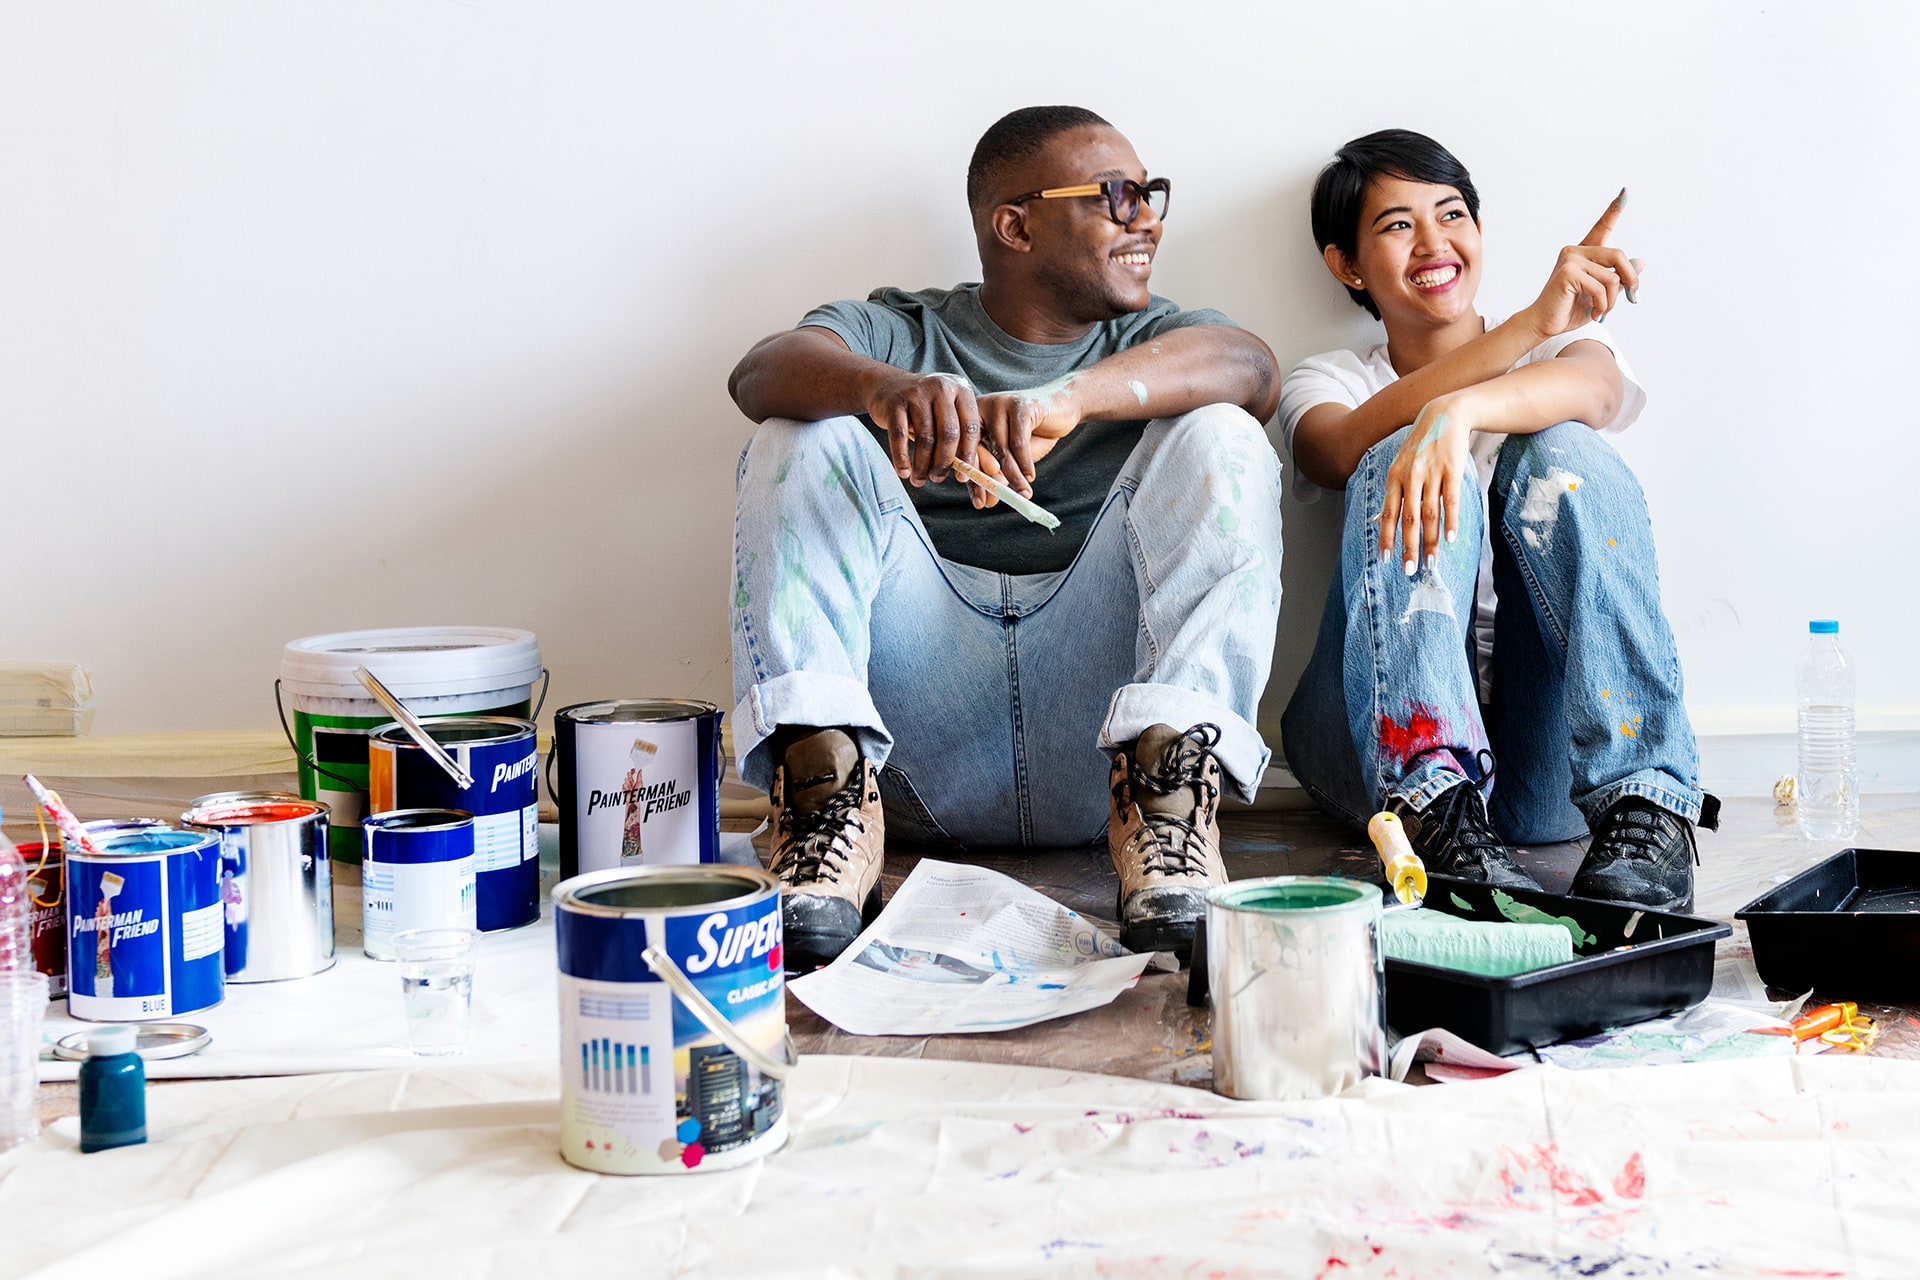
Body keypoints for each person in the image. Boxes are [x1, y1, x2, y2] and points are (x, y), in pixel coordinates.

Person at [727, 105, 1285, 969]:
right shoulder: (903, 326)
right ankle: (824, 807)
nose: (1146, 217)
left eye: (1149, 194)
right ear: (1014, 224)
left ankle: (1174, 817)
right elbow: (759, 372)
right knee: (796, 434)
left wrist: (1073, 400)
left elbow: (1253, 370)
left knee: (1225, 435)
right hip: (916, 746)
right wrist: (884, 391)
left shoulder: (1154, 338)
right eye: (1114, 195)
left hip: (1100, 748)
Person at [1277, 129, 1715, 912]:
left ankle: (1648, 801)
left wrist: (1462, 410)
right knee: (1389, 453)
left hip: (1542, 757)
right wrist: (1516, 334)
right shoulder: (1332, 378)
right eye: (1397, 224)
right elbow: (1336, 450)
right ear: (1345, 264)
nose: (1434, 242)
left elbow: (1597, 394)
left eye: (1451, 215)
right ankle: (1432, 804)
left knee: (1563, 448)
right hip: (1368, 747)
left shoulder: (1571, 344)